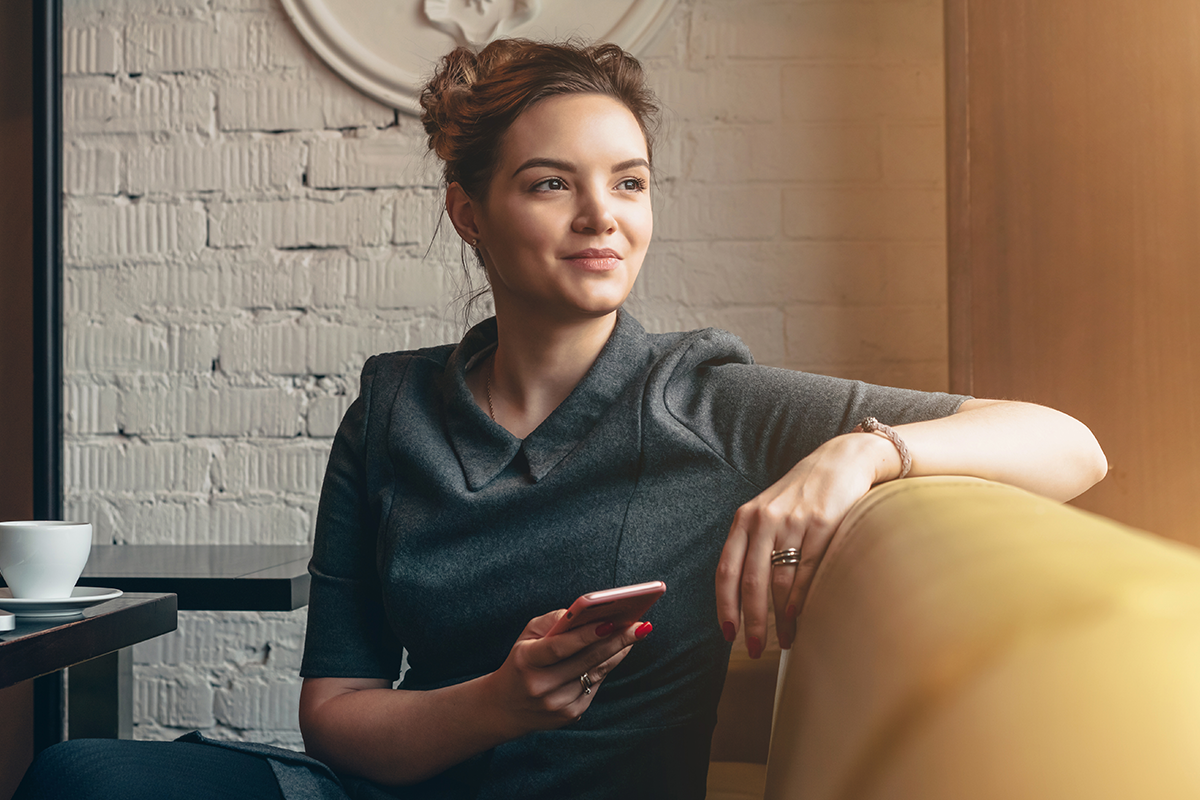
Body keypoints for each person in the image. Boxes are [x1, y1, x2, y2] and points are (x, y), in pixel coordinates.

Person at [14, 38, 1107, 800]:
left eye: (629, 183)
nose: (604, 217)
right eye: (552, 184)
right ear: (470, 212)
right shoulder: (389, 410)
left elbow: (1070, 443)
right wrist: (494, 702)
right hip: (392, 787)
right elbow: (337, 707)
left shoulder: (709, 398)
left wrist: (860, 453)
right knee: (83, 773)